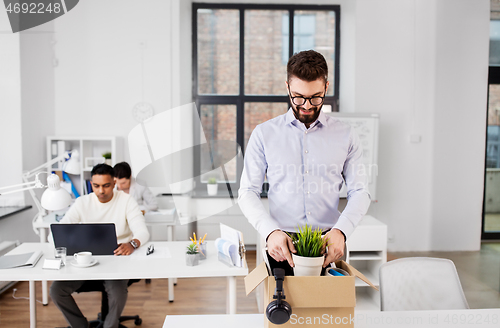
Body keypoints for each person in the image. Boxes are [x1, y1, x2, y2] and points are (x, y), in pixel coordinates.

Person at [238, 50, 371, 273]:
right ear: (287, 87)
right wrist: (270, 232)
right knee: (282, 308)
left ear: (326, 87)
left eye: (316, 97)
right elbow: (247, 191)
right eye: (298, 97)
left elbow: (360, 191)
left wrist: (342, 231)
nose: (307, 106)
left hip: (329, 242)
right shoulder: (264, 134)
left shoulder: (346, 135)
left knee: (330, 307)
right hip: (281, 243)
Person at [50, 164, 150, 328]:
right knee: (56, 291)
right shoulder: (82, 202)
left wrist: (132, 244)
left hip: (116, 260)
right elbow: (59, 231)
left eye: (106, 185)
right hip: (86, 262)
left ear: (114, 183)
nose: (101, 191)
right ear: (91, 184)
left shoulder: (126, 200)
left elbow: (142, 232)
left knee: (117, 293)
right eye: (96, 186)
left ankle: (109, 327)